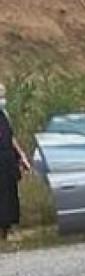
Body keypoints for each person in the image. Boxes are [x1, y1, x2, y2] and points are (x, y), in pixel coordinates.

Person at [0, 83, 31, 242]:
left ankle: (8, 229)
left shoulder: (4, 114)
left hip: (7, 159)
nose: (2, 99)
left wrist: (22, 156)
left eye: (2, 95)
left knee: (10, 194)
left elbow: (11, 137)